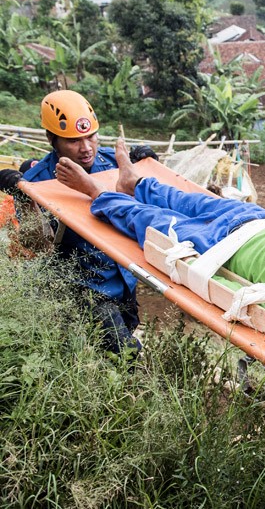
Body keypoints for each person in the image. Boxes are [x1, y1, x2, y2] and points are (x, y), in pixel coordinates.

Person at [54, 139, 265, 348]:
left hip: (223, 248)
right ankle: (134, 181)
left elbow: (247, 303)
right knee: (186, 199)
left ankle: (97, 194)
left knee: (150, 223)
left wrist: (194, 270)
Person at [14, 91, 158, 361]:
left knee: (122, 340)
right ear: (51, 139)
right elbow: (37, 245)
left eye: (91, 136)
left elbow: (147, 205)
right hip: (86, 287)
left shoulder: (113, 163)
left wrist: (148, 169)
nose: (86, 148)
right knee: (126, 354)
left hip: (125, 276)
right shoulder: (39, 183)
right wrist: (24, 200)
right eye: (73, 141)